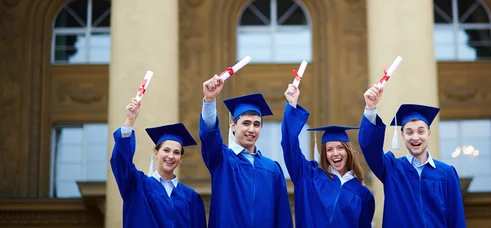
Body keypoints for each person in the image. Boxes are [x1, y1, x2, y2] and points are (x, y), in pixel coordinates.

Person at [359, 85, 466, 228]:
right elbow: (370, 148)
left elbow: (456, 219)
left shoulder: (446, 173)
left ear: (429, 133)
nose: (415, 137)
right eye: (409, 132)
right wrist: (370, 109)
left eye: (421, 131)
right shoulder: (392, 169)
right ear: (403, 135)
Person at [200, 74, 293, 228]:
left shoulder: (272, 169)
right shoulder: (222, 160)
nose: (251, 129)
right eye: (246, 123)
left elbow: (282, 217)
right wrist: (209, 101)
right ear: (233, 126)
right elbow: (209, 135)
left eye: (257, 124)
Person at [281, 84, 375, 228]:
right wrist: (292, 106)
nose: (335, 153)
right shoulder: (309, 176)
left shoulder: (362, 194)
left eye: (340, 148)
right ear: (324, 154)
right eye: (329, 149)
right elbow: (289, 146)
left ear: (348, 151)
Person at [110, 98, 207, 228]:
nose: (171, 156)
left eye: (176, 153)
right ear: (156, 153)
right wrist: (129, 123)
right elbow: (121, 162)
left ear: (181, 158)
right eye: (166, 150)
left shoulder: (191, 197)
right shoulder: (137, 185)